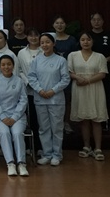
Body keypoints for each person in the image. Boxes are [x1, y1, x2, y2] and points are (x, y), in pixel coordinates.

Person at [28, 33, 70, 166]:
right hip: (40, 99)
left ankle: (57, 154)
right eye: (42, 43)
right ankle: (47, 154)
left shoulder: (61, 60)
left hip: (56, 99)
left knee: (56, 127)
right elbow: (31, 77)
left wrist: (53, 90)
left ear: (53, 43)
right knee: (43, 128)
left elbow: (65, 79)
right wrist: (40, 90)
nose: (44, 45)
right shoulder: (36, 60)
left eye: (47, 42)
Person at [68, 31, 108, 161]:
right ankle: (86, 146)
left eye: (88, 39)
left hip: (95, 88)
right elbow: (69, 72)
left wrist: (88, 81)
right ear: (79, 42)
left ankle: (98, 148)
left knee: (96, 119)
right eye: (83, 39)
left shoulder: (100, 56)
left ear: (93, 41)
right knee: (84, 119)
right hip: (79, 88)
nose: (86, 42)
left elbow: (102, 73)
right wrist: (78, 78)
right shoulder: (72, 55)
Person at [0, 54, 29, 177]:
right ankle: (10, 163)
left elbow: (23, 100)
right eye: (3, 65)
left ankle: (21, 163)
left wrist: (14, 117)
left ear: (13, 65)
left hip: (17, 117)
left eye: (9, 64)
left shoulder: (19, 81)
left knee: (17, 133)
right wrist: (3, 117)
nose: (6, 67)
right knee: (4, 133)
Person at [89, 12, 110, 130]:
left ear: (103, 21)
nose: (96, 22)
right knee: (92, 97)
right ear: (91, 22)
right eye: (94, 20)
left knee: (106, 96)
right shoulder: (87, 35)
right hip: (90, 71)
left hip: (107, 70)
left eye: (99, 19)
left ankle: (106, 122)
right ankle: (92, 122)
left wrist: (104, 60)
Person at [17, 27, 42, 149]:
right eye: (30, 35)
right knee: (31, 119)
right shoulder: (22, 53)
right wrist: (28, 82)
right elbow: (19, 70)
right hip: (29, 90)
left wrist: (39, 84)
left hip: (43, 90)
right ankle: (31, 147)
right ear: (27, 37)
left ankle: (41, 148)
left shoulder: (44, 50)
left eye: (36, 35)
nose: (33, 38)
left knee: (42, 120)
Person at [52, 15, 78, 134]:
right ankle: (56, 123)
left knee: (67, 100)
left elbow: (75, 57)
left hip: (67, 73)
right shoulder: (50, 39)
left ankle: (66, 122)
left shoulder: (71, 40)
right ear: (53, 25)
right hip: (53, 74)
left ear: (65, 25)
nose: (59, 25)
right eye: (57, 23)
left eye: (62, 23)